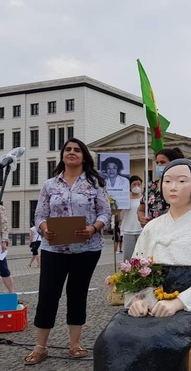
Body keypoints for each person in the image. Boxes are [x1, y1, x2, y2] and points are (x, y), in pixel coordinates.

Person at [94, 159, 191, 371]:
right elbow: (135, 269)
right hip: (151, 303)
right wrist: (139, 299)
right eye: (168, 181)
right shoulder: (152, 228)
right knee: (112, 336)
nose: (173, 187)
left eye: (182, 181)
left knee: (156, 340)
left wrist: (178, 303)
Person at [24, 138, 111, 366]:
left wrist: (93, 228)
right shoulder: (50, 185)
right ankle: (40, 347)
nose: (72, 153)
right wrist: (44, 229)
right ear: (62, 155)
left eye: (77, 150)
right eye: (68, 150)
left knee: (77, 294)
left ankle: (75, 344)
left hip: (87, 249)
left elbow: (105, 213)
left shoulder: (96, 183)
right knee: (48, 295)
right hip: (54, 249)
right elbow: (40, 215)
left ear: (84, 156)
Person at [137, 148, 184, 227]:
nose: (159, 165)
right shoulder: (150, 187)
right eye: (157, 162)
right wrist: (142, 218)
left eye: (162, 162)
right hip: (153, 232)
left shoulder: (182, 186)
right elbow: (141, 210)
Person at [116, 175, 144, 261]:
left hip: (141, 229)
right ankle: (128, 272)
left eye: (139, 184)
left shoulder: (144, 198)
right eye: (134, 184)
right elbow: (116, 212)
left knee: (141, 255)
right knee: (128, 256)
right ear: (129, 186)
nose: (137, 186)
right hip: (128, 229)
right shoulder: (125, 198)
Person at [0, 204, 14, 293]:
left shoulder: (1, 208)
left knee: (4, 270)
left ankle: (12, 294)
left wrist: (4, 241)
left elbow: (4, 225)